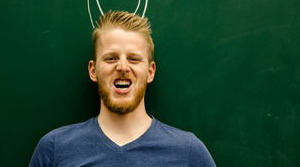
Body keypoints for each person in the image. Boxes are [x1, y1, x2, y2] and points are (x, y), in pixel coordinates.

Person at [29, 11, 216, 166]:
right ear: (93, 70)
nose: (123, 67)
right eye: (111, 58)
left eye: (134, 59)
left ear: (150, 72)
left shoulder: (189, 153)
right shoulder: (55, 149)